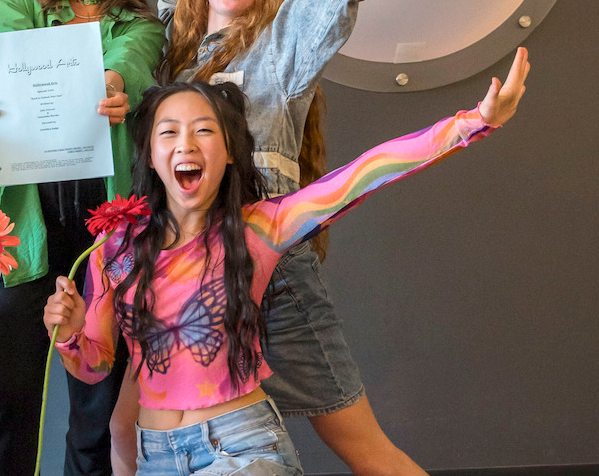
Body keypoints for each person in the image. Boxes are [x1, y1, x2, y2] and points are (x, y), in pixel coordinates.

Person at [149, 0, 542, 472]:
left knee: (364, 448)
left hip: (276, 285)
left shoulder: (283, 46)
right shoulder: (169, 61)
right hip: (193, 294)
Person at [44, 49, 529, 475]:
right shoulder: (114, 249)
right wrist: (69, 334)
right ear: (151, 155)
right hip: (156, 456)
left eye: (204, 130)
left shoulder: (259, 227)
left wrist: (471, 123)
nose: (186, 144)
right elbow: (95, 366)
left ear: (229, 152)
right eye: (168, 132)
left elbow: (365, 173)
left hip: (240, 447)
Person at [0, 0, 166, 475]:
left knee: (95, 408)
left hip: (106, 234)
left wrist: (112, 84)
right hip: (19, 228)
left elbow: (128, 63)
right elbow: (3, 57)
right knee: (10, 401)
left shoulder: (141, 25)